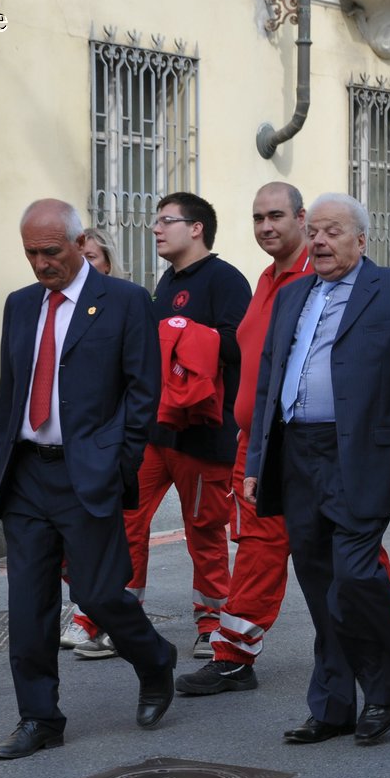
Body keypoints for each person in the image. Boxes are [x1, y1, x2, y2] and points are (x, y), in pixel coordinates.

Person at [180, 182, 390, 697]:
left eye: (278, 217)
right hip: (265, 442)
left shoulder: (335, 280)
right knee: (263, 546)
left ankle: (387, 633)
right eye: (258, 218)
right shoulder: (273, 283)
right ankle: (236, 654)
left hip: (331, 445)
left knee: (348, 555)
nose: (267, 227)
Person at [243, 193, 390, 747]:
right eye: (316, 233)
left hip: (362, 457)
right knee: (318, 581)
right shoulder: (295, 295)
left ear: (361, 239)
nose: (321, 242)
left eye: (333, 232)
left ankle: (381, 692)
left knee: (354, 577)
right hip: (296, 454)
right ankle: (331, 705)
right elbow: (269, 383)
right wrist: (259, 459)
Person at [0, 199, 177, 759]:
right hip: (27, 474)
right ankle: (39, 717)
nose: (41, 264)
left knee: (97, 592)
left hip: (85, 472)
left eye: (51, 251)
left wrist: (120, 463)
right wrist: (0, 470)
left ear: (78, 242)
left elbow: (144, 392)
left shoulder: (123, 301)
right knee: (27, 606)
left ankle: (153, 657)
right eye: (31, 253)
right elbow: (10, 391)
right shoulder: (20, 306)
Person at [134, 193, 251, 657]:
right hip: (157, 430)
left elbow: (236, 346)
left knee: (204, 530)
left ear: (197, 228)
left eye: (166, 221)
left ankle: (213, 623)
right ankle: (121, 617)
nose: (157, 230)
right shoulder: (166, 281)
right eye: (156, 222)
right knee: (125, 519)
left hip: (204, 432)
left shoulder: (226, 280)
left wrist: (180, 332)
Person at [60, 226, 122, 651]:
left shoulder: (121, 304)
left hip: (101, 446)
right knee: (66, 543)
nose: (87, 265)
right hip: (55, 448)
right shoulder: (50, 307)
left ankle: (102, 617)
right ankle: (88, 611)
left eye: (95, 258)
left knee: (101, 541)